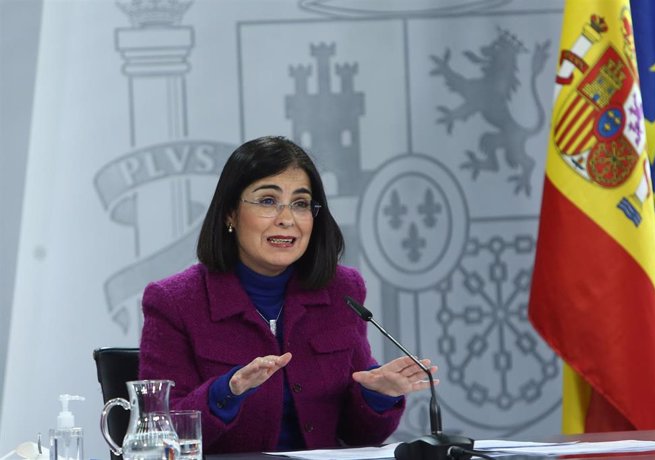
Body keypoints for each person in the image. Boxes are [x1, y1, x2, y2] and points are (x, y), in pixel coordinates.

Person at [138, 136, 439, 454]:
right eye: (268, 201)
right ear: (230, 214)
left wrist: (377, 395)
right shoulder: (174, 302)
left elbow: (358, 436)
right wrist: (226, 392)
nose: (287, 218)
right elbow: (159, 430)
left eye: (300, 203)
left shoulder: (342, 291)